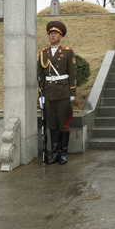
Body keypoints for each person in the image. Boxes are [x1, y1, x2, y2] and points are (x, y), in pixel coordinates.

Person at [38, 21, 77, 165]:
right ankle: (54, 154)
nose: (52, 36)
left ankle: (63, 154)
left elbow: (72, 73)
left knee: (63, 124)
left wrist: (72, 91)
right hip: (49, 93)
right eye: (50, 34)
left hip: (63, 92)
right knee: (52, 124)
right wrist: (41, 94)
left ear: (61, 36)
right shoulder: (43, 53)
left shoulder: (67, 52)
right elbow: (41, 75)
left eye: (55, 34)